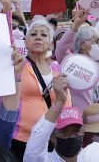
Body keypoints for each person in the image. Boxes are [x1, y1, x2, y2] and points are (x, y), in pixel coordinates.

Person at [11, 18, 71, 161]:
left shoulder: (58, 69)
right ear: (26, 41)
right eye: (33, 34)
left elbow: (67, 105)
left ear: (51, 44)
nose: (38, 37)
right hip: (20, 138)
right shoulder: (18, 66)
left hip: (51, 139)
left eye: (44, 35)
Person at [56, 9, 99, 111]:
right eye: (97, 41)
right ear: (83, 44)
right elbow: (61, 48)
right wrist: (76, 23)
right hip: (74, 122)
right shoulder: (70, 63)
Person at [24, 74, 84, 162]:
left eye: (76, 131)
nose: (71, 137)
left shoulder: (91, 157)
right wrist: (59, 102)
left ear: (83, 132)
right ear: (52, 137)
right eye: (64, 132)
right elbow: (36, 142)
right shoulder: (44, 160)